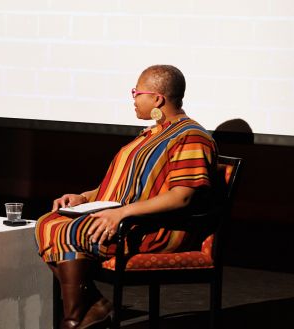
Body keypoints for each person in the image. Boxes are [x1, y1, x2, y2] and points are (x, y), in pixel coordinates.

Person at [35, 65, 218, 329]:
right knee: (48, 222)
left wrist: (121, 212)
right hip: (123, 219)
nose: (133, 99)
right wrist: (83, 197)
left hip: (156, 228)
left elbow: (182, 197)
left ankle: (75, 319)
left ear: (157, 98)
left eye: (136, 92)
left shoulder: (190, 136)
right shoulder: (151, 134)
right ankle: (94, 305)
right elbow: (123, 185)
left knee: (70, 233)